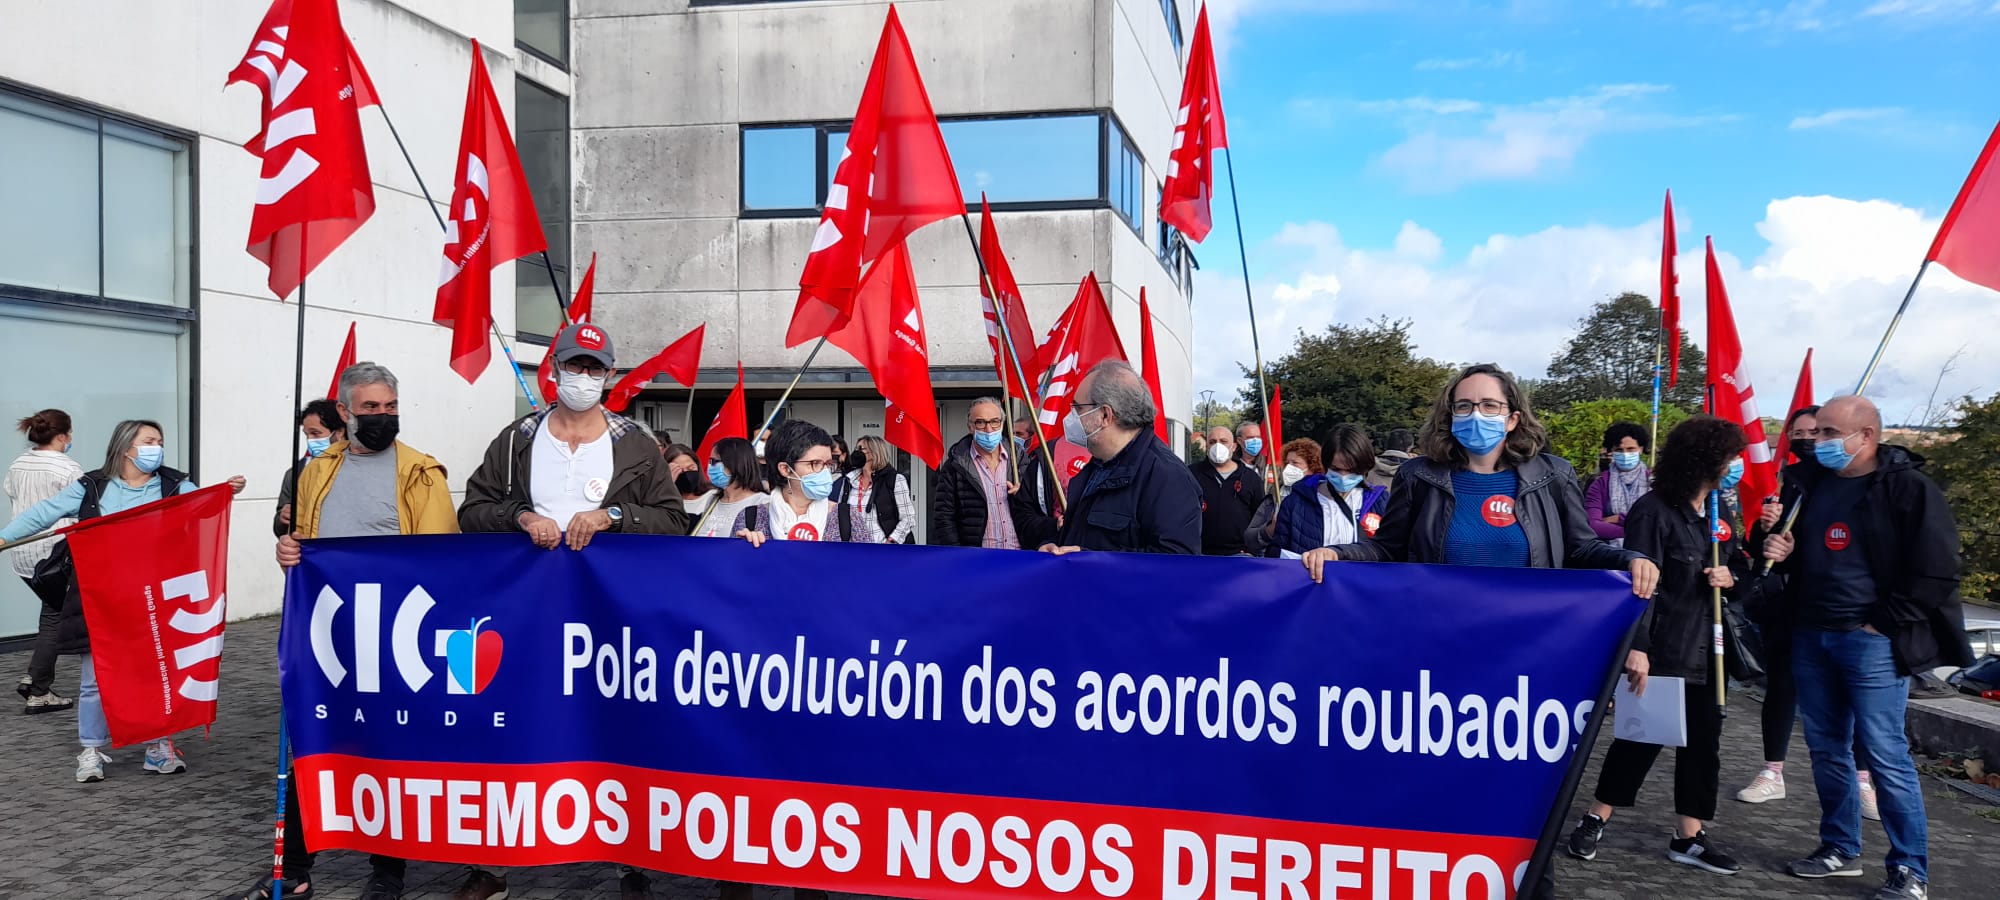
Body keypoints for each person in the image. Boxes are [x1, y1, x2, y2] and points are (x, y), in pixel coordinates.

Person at [456, 323, 683, 900]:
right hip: (524, 615)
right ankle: (491, 866)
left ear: (610, 375)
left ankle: (631, 862)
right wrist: (520, 517)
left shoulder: (636, 444)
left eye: (594, 368)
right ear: (553, 370)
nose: (583, 377)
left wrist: (614, 517)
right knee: (510, 727)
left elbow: (672, 521)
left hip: (610, 620)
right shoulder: (517, 439)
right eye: (574, 366)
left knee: (618, 730)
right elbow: (473, 509)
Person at [228, 362, 451, 900]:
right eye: (371, 407)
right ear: (345, 412)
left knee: (389, 747)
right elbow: (303, 548)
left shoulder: (422, 473)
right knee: (314, 743)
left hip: (396, 636)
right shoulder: (316, 472)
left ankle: (388, 874)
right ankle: (294, 869)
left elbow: (441, 560)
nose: (383, 416)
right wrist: (288, 552)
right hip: (329, 633)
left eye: (390, 406)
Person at [1763, 395, 1969, 899]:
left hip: (1871, 642)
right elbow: (1794, 554)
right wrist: (1780, 551)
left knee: (1884, 753)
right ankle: (1838, 847)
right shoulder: (1808, 483)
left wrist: (1884, 624)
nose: (1818, 441)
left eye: (1830, 433)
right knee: (1826, 749)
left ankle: (1910, 869)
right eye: (1816, 432)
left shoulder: (1907, 488)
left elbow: (1938, 568)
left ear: (1867, 436)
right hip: (1811, 633)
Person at [0, 420, 245, 783]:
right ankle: (91, 750)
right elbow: (43, 513)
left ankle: (158, 746)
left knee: (155, 673)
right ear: (127, 447)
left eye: (159, 441)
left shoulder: (174, 485)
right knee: (94, 680)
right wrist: (5, 538)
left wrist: (225, 493)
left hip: (153, 597)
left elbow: (201, 508)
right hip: (100, 597)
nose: (156, 448)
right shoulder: (93, 486)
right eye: (149, 441)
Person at [1567, 416, 1754, 875]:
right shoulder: (1653, 511)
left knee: (1703, 745)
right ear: (1705, 459)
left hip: (1709, 651)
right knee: (1640, 738)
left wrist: (1731, 578)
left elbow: (1741, 571)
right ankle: (1596, 816)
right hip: (1664, 647)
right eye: (1730, 457)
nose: (1736, 465)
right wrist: (1638, 646)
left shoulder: (1720, 512)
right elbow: (1636, 584)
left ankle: (1689, 834)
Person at [1735, 404, 1878, 817]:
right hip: (1795, 605)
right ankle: (1772, 772)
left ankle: (1863, 781)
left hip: (1851, 609)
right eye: (1797, 434)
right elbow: (1767, 551)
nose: (1808, 441)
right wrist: (1766, 529)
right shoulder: (1794, 481)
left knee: (1855, 698)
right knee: (1783, 686)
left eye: (1816, 433)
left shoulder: (1863, 483)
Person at [1011, 360, 1201, 555]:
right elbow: (1081, 534)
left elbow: (1175, 562)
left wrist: (1092, 559)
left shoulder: (1166, 476)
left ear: (1105, 415)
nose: (1070, 416)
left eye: (1078, 408)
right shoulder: (1098, 465)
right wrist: (1053, 544)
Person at [8, 409, 83, 713]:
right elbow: (83, 507)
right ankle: (38, 690)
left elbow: (13, 496)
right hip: (55, 556)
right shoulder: (68, 468)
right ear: (62, 436)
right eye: (70, 433)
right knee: (57, 617)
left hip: (23, 557)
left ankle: (35, 678)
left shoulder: (18, 463)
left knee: (51, 611)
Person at [734, 418, 868, 545]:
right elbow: (734, 561)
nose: (825, 472)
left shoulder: (847, 517)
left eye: (828, 464)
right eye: (815, 463)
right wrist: (743, 549)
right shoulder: (750, 518)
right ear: (785, 469)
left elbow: (870, 560)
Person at [1270, 426, 1387, 558]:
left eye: (1352, 470)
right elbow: (1277, 554)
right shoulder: (1295, 502)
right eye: (1336, 469)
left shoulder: (1380, 502)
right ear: (1325, 465)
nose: (1343, 476)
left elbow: (1389, 552)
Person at [934, 398, 1025, 548]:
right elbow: (944, 518)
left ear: (1002, 424)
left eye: (994, 421)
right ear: (970, 427)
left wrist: (1025, 495)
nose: (988, 429)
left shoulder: (1019, 460)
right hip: (977, 556)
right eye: (980, 422)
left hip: (1020, 554)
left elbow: (1038, 510)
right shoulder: (955, 466)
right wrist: (959, 555)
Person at [274, 398, 347, 537]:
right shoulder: (296, 472)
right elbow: (279, 530)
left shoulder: (355, 466)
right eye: (307, 435)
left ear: (339, 432)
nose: (310, 440)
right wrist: (283, 518)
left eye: (316, 433)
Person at [1191, 425, 1265, 556]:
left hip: (1240, 554)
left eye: (1223, 441)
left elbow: (1259, 519)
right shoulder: (1192, 474)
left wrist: (1252, 550)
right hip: (1200, 553)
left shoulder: (1251, 478)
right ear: (1207, 446)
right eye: (1212, 442)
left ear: (1234, 446)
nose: (1217, 446)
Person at [1245, 438, 1322, 556]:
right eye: (1287, 463)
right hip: (1276, 561)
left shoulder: (1322, 498)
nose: (1288, 468)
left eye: (1295, 463)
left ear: (1312, 467)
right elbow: (1250, 538)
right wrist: (1269, 530)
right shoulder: (1274, 497)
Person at [1585, 421, 1652, 546]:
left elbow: (1659, 521)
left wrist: (1617, 519)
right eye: (1619, 450)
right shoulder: (1600, 484)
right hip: (1611, 552)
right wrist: (1636, 531)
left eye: (1631, 449)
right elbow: (1593, 525)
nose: (1625, 454)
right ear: (1611, 451)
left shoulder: (1653, 481)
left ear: (1641, 449)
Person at [842, 435, 914, 544]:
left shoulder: (895, 480)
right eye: (856, 448)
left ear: (874, 452)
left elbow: (908, 517)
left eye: (861, 449)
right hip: (855, 548)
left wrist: (891, 541)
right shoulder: (849, 481)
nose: (857, 452)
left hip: (883, 548)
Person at [689, 438, 765, 538]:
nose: (710, 466)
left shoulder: (762, 503)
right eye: (710, 461)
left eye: (714, 461)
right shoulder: (713, 499)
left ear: (735, 464)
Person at [1011, 417, 1058, 520]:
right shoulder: (1011, 457)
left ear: (1032, 436)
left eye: (1019, 434)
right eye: (1012, 433)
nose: (1014, 437)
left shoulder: (1042, 461)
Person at [662, 443, 715, 518]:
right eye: (679, 471)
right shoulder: (664, 502)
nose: (686, 474)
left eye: (691, 468)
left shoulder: (713, 496)